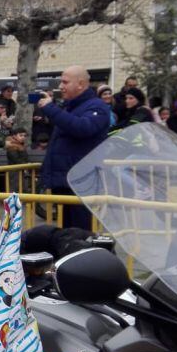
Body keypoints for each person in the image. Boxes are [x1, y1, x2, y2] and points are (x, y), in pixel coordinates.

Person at [37, 65, 111, 230]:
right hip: (66, 181)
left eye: (65, 82)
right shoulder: (70, 106)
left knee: (81, 233)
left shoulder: (97, 107)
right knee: (67, 232)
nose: (61, 87)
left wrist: (51, 109)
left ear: (80, 84)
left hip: (81, 183)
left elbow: (81, 128)